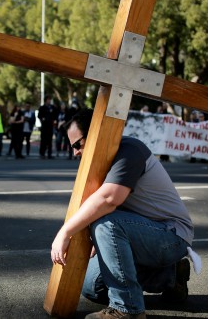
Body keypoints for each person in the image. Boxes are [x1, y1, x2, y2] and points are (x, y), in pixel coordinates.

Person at [50, 109, 195, 319]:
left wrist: (64, 233)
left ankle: (128, 309)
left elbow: (109, 200)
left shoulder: (129, 149)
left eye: (76, 145)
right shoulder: (102, 160)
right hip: (142, 233)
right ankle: (170, 276)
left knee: (107, 223)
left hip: (171, 236)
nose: (75, 153)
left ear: (96, 134)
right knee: (93, 287)